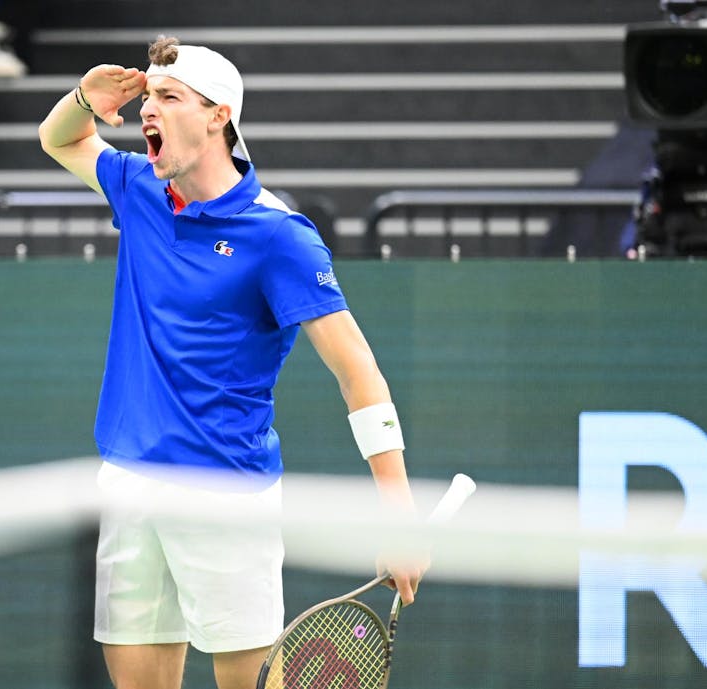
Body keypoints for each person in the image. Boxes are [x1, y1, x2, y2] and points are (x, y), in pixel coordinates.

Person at [38, 36, 426, 689]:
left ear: (219, 115)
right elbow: (60, 139)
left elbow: (357, 368)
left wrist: (398, 510)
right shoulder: (138, 186)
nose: (147, 113)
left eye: (169, 98)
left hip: (225, 494)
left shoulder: (279, 235)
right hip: (128, 481)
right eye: (146, 100)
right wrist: (83, 99)